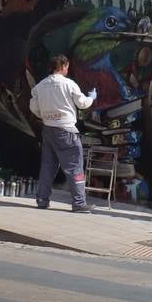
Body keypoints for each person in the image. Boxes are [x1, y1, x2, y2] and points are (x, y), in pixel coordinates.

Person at [30, 53, 97, 212]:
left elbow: (34, 108)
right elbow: (82, 104)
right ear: (63, 66)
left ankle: (42, 200)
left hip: (48, 130)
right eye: (67, 67)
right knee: (74, 166)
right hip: (66, 131)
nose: (68, 69)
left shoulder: (39, 86)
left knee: (47, 166)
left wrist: (46, 115)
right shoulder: (69, 84)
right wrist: (92, 98)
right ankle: (79, 203)